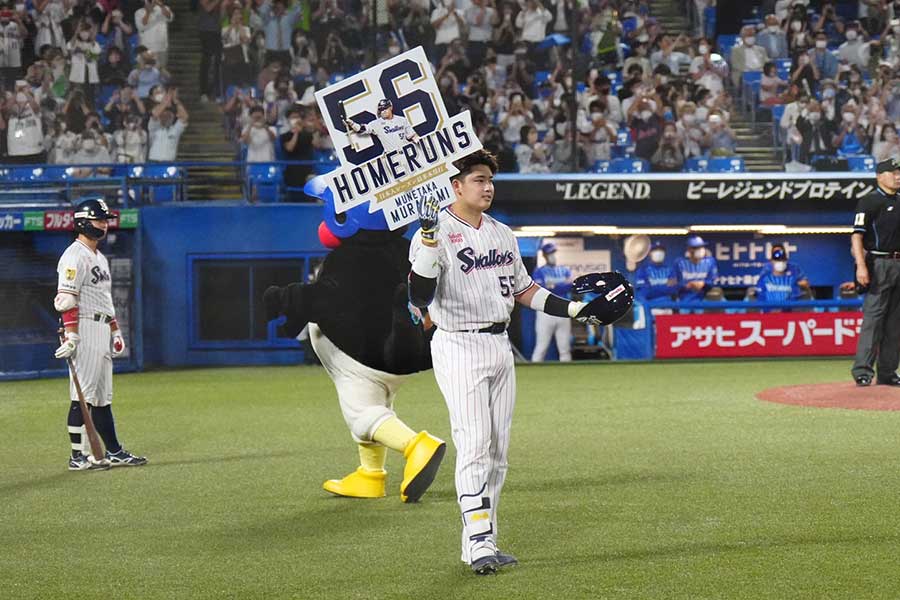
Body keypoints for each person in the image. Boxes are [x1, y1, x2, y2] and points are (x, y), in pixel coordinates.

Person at [407, 149, 614, 574]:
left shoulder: (503, 232)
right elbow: (419, 296)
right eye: (478, 179)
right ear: (456, 186)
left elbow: (525, 290)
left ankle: (481, 541)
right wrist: (428, 239)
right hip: (458, 344)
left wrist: (575, 310)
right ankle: (480, 540)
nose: (487, 187)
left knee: (498, 453)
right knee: (475, 443)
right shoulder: (435, 230)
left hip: (498, 345)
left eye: (489, 180)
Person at [54, 198, 148, 471]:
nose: (103, 225)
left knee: (102, 397)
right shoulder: (74, 255)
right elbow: (66, 299)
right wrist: (72, 336)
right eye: (98, 219)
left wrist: (115, 329)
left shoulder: (100, 257)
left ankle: (114, 451)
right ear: (83, 222)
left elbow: (104, 300)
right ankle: (77, 457)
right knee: (81, 395)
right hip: (83, 328)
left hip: (101, 327)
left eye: (105, 220)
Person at [850, 158, 900, 386]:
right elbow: (857, 235)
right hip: (879, 263)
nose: (898, 176)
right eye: (893, 172)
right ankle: (863, 371)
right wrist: (861, 265)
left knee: (895, 321)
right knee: (873, 318)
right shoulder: (869, 201)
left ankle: (888, 373)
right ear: (880, 176)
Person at [530, 242, 574, 362]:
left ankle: (567, 376)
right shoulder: (539, 271)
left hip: (563, 310)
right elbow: (542, 289)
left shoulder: (564, 270)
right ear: (544, 255)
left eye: (554, 253)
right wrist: (561, 285)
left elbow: (570, 286)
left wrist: (553, 286)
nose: (553, 256)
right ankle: (534, 374)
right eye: (550, 253)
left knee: (565, 348)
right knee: (541, 347)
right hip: (545, 312)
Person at [343, 99, 418, 154]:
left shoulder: (402, 120)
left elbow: (412, 136)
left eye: (385, 108)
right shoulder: (376, 124)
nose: (383, 111)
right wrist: (351, 123)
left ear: (391, 107)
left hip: (408, 153)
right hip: (392, 156)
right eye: (381, 109)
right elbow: (361, 129)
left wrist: (421, 144)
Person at [674, 235, 719, 301]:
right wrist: (687, 285)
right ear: (689, 250)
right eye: (696, 247)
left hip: (704, 299)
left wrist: (703, 284)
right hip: (684, 299)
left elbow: (714, 280)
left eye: (701, 247)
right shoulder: (679, 263)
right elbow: (672, 284)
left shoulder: (710, 261)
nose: (700, 250)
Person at [197, 0, 223, 103]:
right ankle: (204, 92)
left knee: (218, 62)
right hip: (206, 30)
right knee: (206, 62)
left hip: (218, 30)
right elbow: (208, 8)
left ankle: (216, 92)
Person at [135, 0, 173, 69]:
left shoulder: (164, 8)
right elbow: (142, 26)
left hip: (162, 47)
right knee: (148, 70)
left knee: (162, 70)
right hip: (147, 49)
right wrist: (148, 11)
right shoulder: (139, 12)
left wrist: (161, 6)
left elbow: (169, 17)